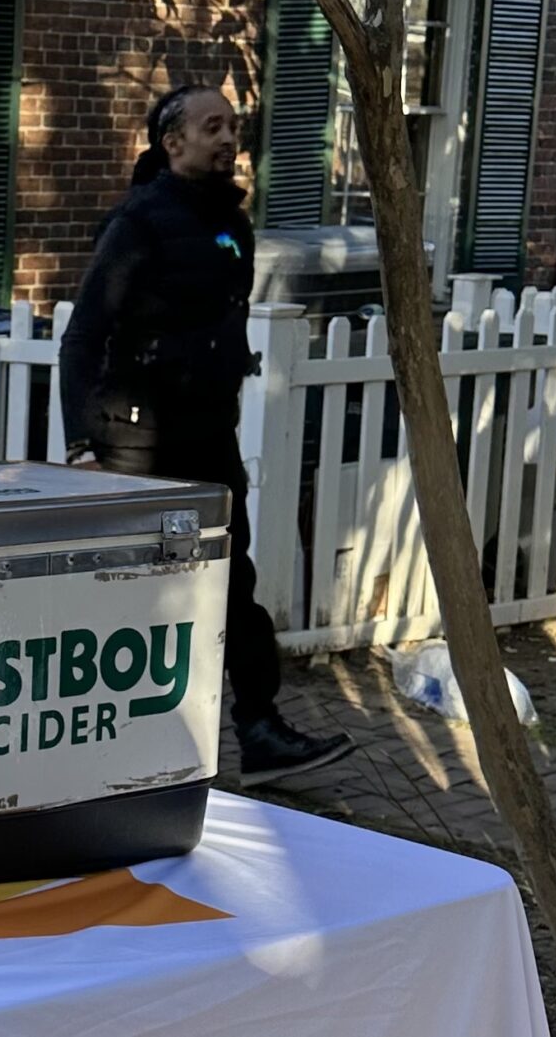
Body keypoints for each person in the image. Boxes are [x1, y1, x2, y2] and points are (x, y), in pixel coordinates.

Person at [58, 83, 354, 785]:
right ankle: (115, 751)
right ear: (173, 142)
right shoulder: (138, 222)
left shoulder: (231, 223)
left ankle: (259, 732)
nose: (228, 138)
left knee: (231, 584)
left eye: (234, 126)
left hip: (208, 439)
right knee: (141, 595)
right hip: (135, 442)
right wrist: (81, 448)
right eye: (212, 126)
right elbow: (81, 338)